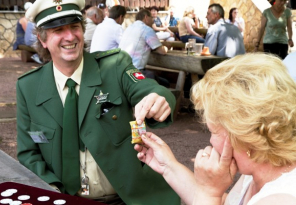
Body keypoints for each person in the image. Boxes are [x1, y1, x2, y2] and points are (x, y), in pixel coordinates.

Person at [18, 0, 180, 204]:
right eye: (58, 30)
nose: (70, 36)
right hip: (67, 199)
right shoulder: (28, 87)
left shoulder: (114, 65)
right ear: (43, 39)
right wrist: (50, 189)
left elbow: (146, 88)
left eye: (74, 27)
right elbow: (28, 153)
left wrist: (158, 97)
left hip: (130, 198)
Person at [134, 53, 296, 205]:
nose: (211, 140)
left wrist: (209, 193)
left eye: (213, 131)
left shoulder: (281, 199)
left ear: (243, 133)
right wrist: (168, 166)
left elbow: (209, 199)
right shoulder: (259, 169)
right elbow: (228, 202)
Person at [118, 9, 168, 80]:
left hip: (120, 70)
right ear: (146, 17)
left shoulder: (129, 27)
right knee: (164, 83)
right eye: (151, 17)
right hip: (134, 72)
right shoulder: (146, 29)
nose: (153, 20)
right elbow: (162, 51)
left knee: (159, 79)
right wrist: (166, 47)